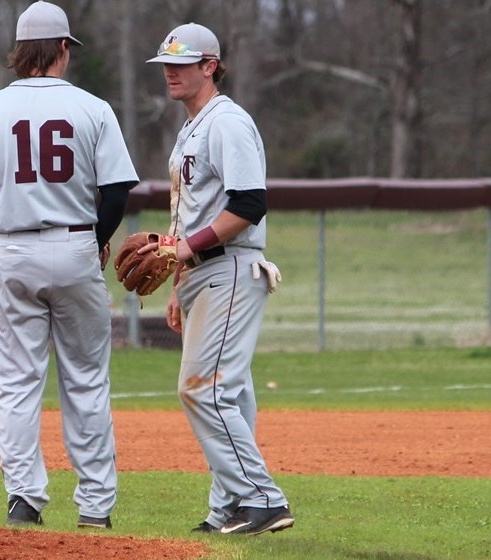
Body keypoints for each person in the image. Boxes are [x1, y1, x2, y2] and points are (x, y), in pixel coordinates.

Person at [0, 0, 139, 530]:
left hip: (13, 247)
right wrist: (96, 243)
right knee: (85, 381)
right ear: (62, 48)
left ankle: (25, 499)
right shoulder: (93, 108)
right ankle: (96, 509)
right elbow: (118, 192)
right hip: (76, 244)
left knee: (16, 382)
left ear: (18, 51)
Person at [144, 22, 294, 536]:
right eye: (166, 64)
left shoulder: (227, 122)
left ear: (210, 66)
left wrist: (184, 249)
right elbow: (193, 211)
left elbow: (249, 204)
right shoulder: (192, 126)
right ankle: (228, 508)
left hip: (230, 266)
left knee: (202, 389)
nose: (171, 72)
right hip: (204, 273)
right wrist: (177, 276)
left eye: (182, 64)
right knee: (231, 394)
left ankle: (263, 499)